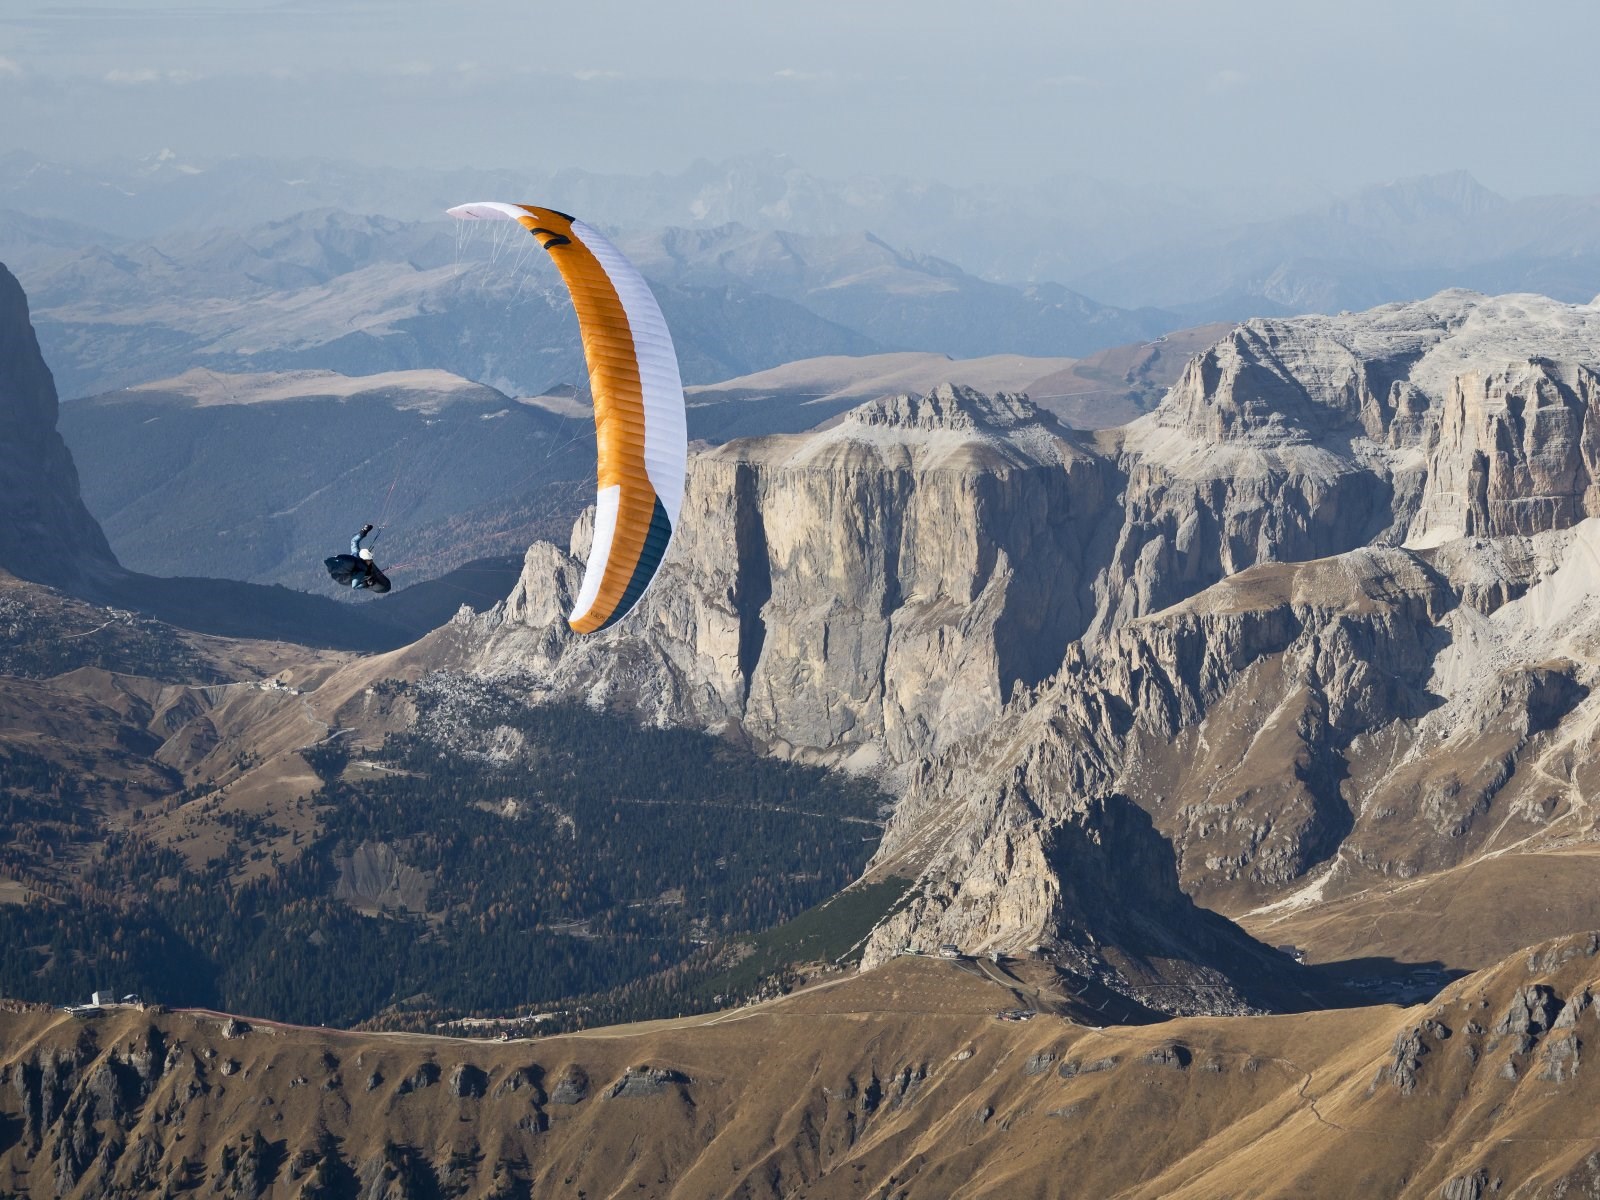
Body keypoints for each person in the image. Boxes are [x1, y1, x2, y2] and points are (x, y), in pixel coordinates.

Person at [323, 523, 391, 594]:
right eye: (369, 560)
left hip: (352, 572)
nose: (370, 561)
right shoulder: (361, 571)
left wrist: (364, 531)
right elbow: (354, 586)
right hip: (351, 577)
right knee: (379, 583)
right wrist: (366, 584)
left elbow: (354, 541)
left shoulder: (356, 554)